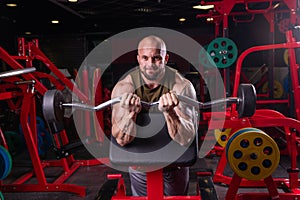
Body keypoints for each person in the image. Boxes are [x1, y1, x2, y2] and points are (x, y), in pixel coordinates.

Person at [110, 35, 198, 196]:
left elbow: (186, 139)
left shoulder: (182, 87)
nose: (150, 64)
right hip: (140, 166)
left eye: (156, 58)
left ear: (165, 58)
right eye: (145, 58)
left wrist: (170, 112)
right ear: (138, 59)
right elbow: (121, 139)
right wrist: (131, 113)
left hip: (174, 166)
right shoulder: (124, 87)